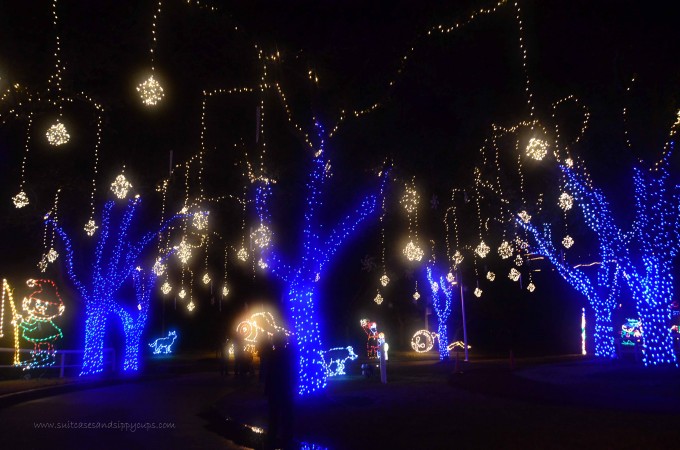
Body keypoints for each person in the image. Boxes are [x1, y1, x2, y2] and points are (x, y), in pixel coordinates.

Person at [264, 332, 296, 450]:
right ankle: (286, 437)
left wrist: (267, 389)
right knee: (286, 413)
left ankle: (274, 438)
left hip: (276, 388)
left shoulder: (273, 354)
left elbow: (270, 373)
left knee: (275, 415)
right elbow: (292, 371)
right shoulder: (288, 354)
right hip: (285, 387)